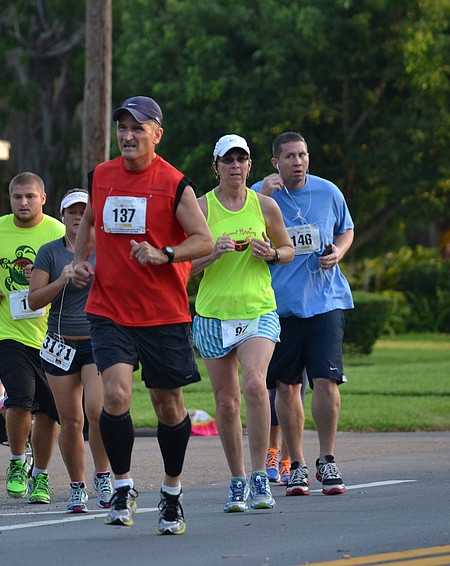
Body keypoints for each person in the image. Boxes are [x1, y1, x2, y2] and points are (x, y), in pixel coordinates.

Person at [72, 96, 214, 535]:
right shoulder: (102, 175)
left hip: (163, 314)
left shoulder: (175, 184)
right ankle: (123, 484)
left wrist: (165, 253)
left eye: (138, 128)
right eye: (123, 128)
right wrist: (79, 261)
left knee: (167, 405)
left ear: (157, 134)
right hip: (110, 308)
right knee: (114, 397)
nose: (128, 136)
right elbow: (89, 224)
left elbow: (204, 240)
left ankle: (171, 493)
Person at [190, 135, 293, 513]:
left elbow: (287, 250)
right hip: (213, 314)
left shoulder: (264, 205)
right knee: (227, 404)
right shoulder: (200, 208)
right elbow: (182, 266)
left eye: (242, 159)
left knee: (254, 383)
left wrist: (272, 253)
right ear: (215, 166)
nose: (235, 165)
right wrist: (211, 254)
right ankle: (237, 481)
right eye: (228, 159)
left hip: (257, 310)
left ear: (251, 165)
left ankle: (260, 476)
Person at [253, 132, 354, 496]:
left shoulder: (329, 192)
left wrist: (339, 252)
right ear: (275, 162)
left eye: (303, 155)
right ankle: (295, 465)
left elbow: (347, 229)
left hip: (326, 300)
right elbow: (242, 234)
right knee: (287, 385)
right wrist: (262, 193)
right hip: (280, 306)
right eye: (290, 156)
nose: (298, 162)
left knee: (326, 381)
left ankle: (327, 459)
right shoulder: (258, 196)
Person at [0, 172, 65, 504]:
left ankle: (42, 475)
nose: (23, 203)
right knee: (19, 400)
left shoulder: (58, 231)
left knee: (51, 412)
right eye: (17, 197)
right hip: (9, 331)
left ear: (43, 199)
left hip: (51, 334)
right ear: (10, 199)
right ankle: (18, 463)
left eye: (30, 197)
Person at [28, 188, 114, 514]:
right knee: (70, 421)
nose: (78, 217)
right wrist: (62, 279)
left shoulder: (104, 249)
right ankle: (77, 487)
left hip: (97, 339)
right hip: (60, 343)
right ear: (62, 216)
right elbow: (34, 300)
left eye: (84, 212)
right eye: (72, 212)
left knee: (97, 411)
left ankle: (103, 476)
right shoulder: (50, 253)